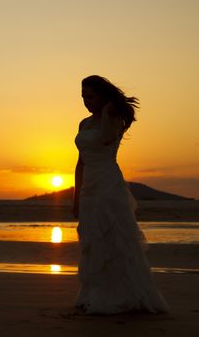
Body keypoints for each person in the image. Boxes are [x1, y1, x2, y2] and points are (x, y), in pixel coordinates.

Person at [73, 75, 169, 315]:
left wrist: (106, 112)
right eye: (83, 97)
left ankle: (119, 295)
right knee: (91, 240)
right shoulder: (83, 124)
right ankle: (93, 293)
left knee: (113, 240)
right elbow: (80, 163)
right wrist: (75, 196)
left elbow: (105, 140)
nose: (86, 102)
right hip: (88, 189)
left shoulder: (114, 117)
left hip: (108, 183)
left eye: (91, 97)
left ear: (103, 96)